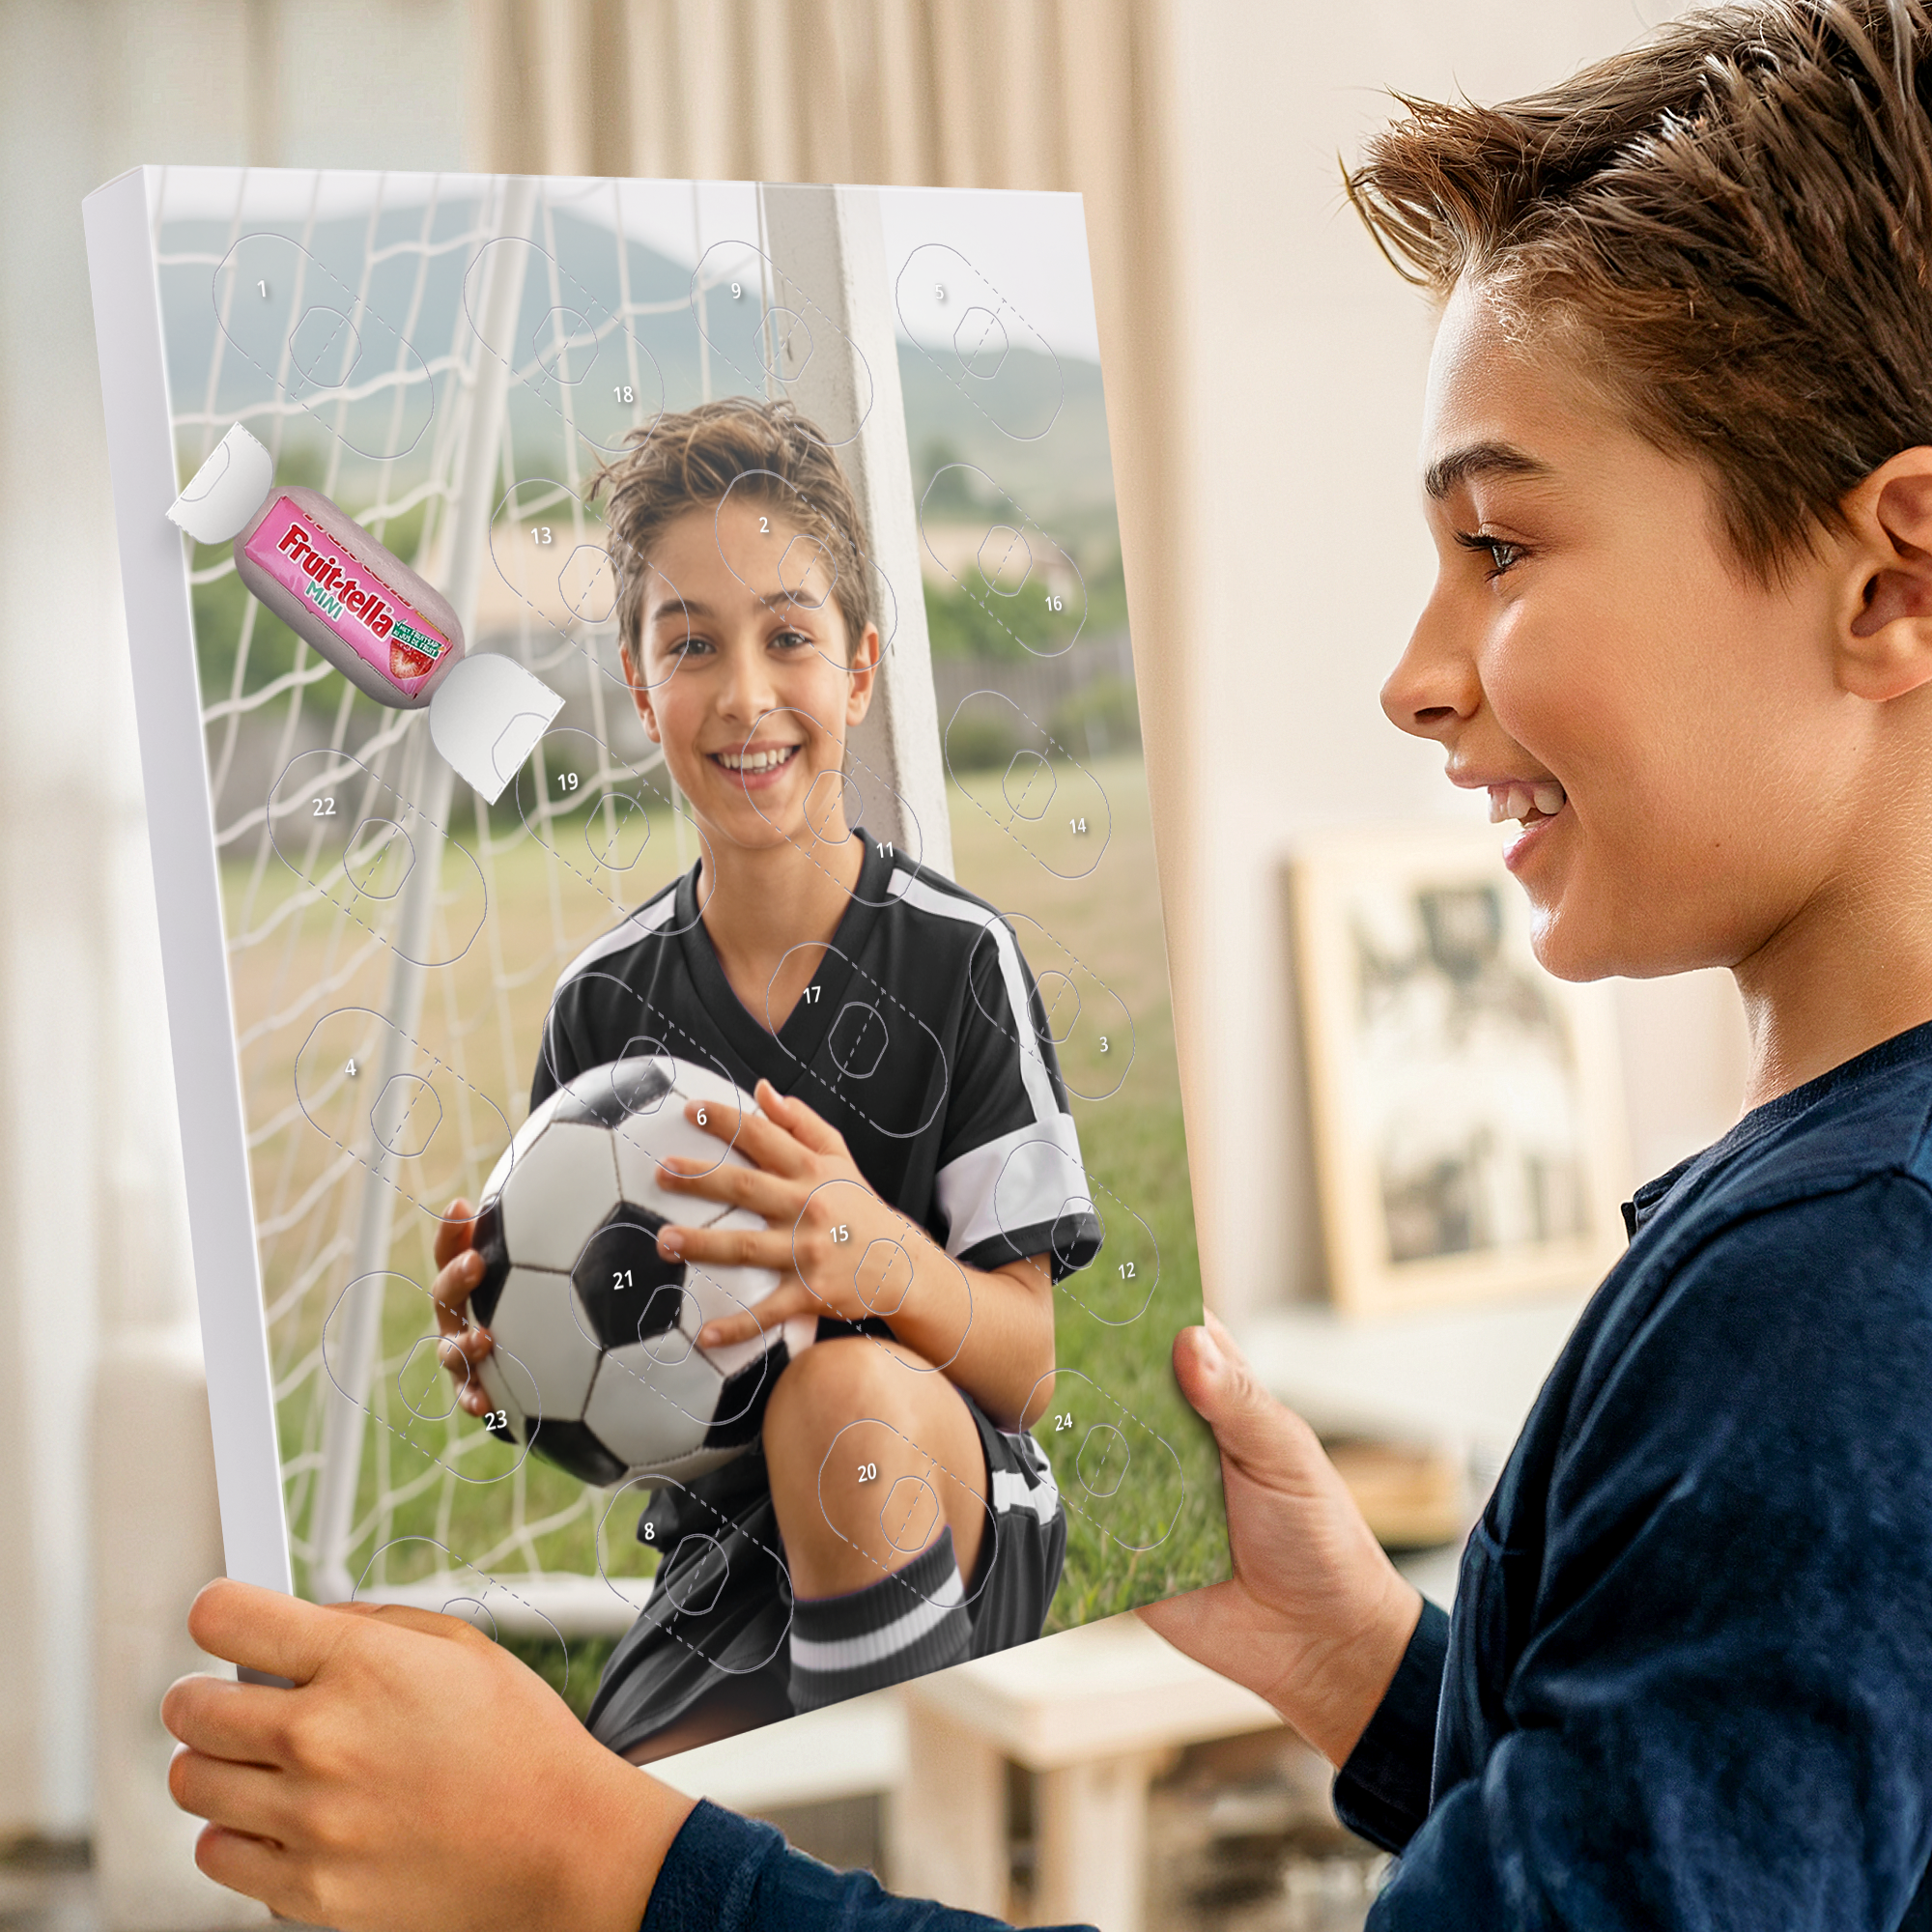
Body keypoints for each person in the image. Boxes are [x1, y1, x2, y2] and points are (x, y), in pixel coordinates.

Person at [161, 0, 1932, 1924]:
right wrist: (1368, 1660)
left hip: (900, 1495)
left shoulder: (1831, 1299)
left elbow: (1016, 1346)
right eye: (678, 643)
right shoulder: (1832, 1239)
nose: (1414, 674)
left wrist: (604, 1870)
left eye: (1497, 547)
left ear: (1889, 580)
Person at [433, 397, 1095, 1761]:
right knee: (633, 1837)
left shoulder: (958, 962)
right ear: (637, 683)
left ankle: (918, 1859)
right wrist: (502, 1366)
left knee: (835, 1399)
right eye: (692, 646)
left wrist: (882, 1262)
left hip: (943, 1494)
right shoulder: (603, 1006)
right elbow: (590, 1386)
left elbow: (1025, 1371)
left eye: (787, 637)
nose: (745, 694)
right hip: (724, 1554)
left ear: (855, 671)